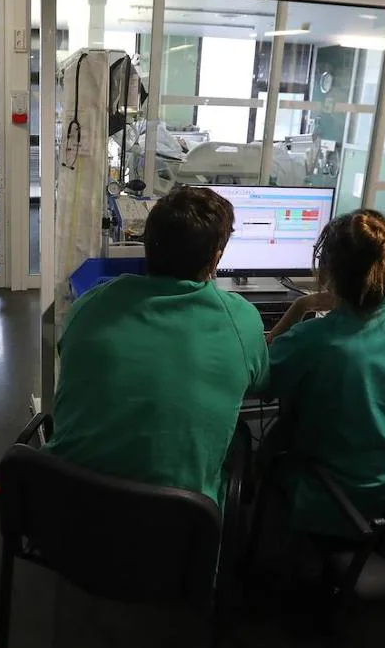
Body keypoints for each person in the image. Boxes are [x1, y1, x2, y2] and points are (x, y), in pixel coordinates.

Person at [44, 186, 269, 504]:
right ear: (215, 258)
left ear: (146, 244)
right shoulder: (241, 319)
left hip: (61, 510)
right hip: (174, 532)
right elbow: (261, 382)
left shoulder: (92, 302)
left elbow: (70, 354)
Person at [262, 209, 385, 539]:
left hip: (345, 502)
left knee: (269, 448)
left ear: (328, 271)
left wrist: (298, 308)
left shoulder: (313, 339)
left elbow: (260, 377)